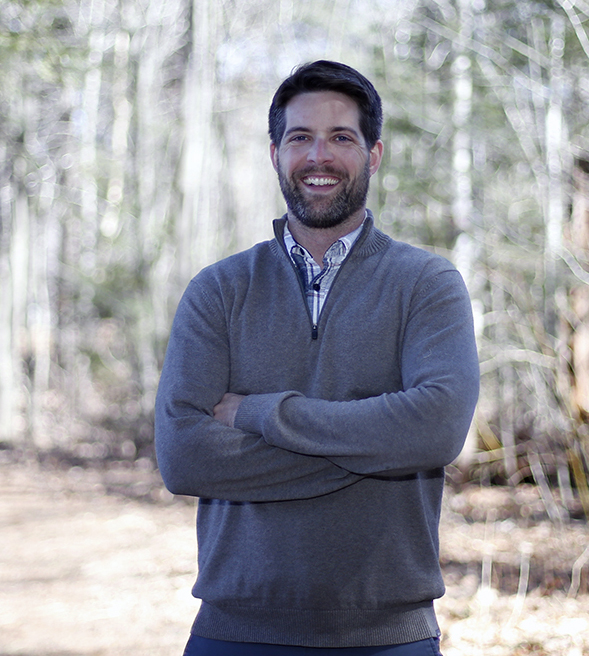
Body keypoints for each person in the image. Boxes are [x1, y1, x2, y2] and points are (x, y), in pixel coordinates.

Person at [155, 60, 480, 655]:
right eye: (301, 137)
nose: (318, 156)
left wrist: (258, 413)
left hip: (390, 637)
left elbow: (434, 429)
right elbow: (183, 457)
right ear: (275, 152)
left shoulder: (427, 283)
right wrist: (376, 444)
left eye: (341, 138)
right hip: (235, 633)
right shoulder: (220, 290)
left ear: (374, 154)